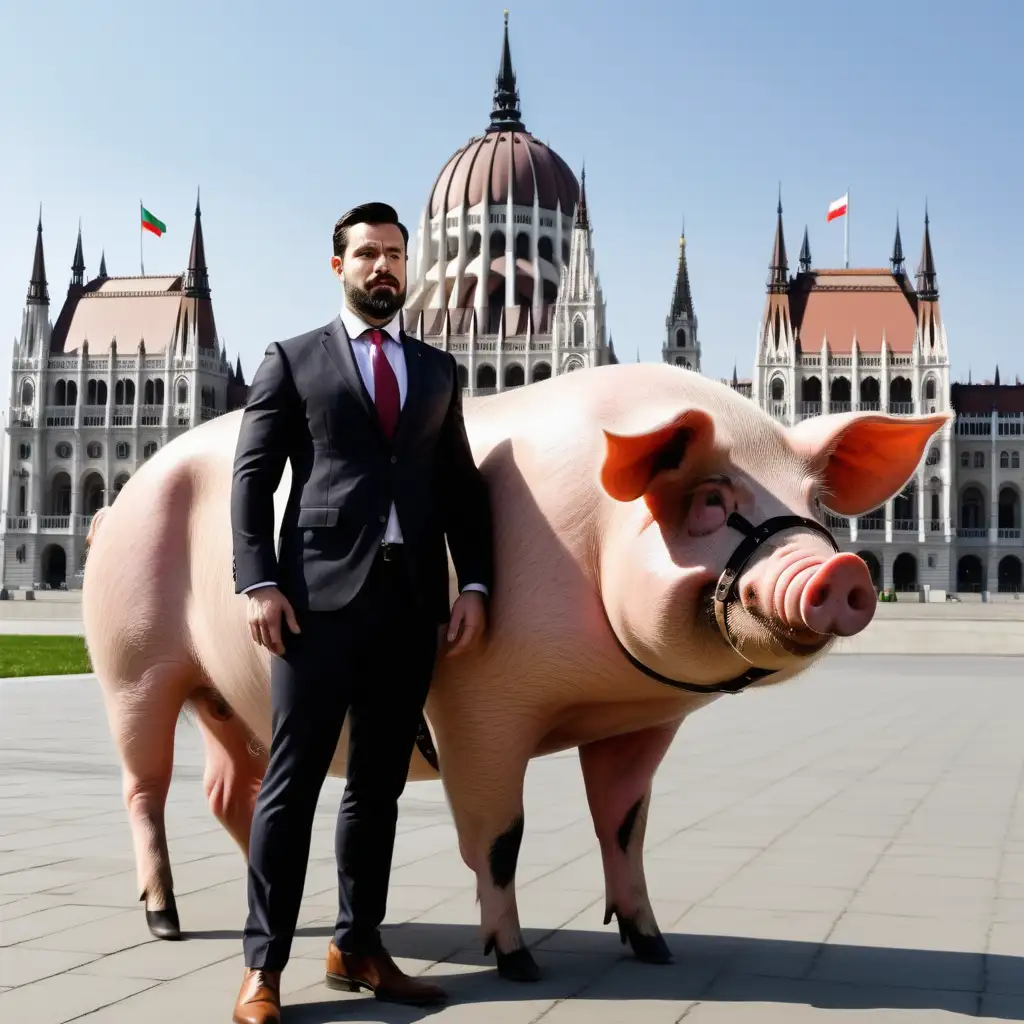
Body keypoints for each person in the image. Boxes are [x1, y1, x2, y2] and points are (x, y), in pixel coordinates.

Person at [229, 201, 494, 1022]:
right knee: (291, 785)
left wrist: (476, 586)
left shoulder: (437, 370)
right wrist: (257, 581)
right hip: (314, 603)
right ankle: (263, 969)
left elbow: (459, 488)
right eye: (369, 254)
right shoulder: (294, 359)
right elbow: (252, 477)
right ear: (337, 265)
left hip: (410, 603)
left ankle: (359, 944)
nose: (384, 267)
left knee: (377, 789)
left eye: (395, 255)